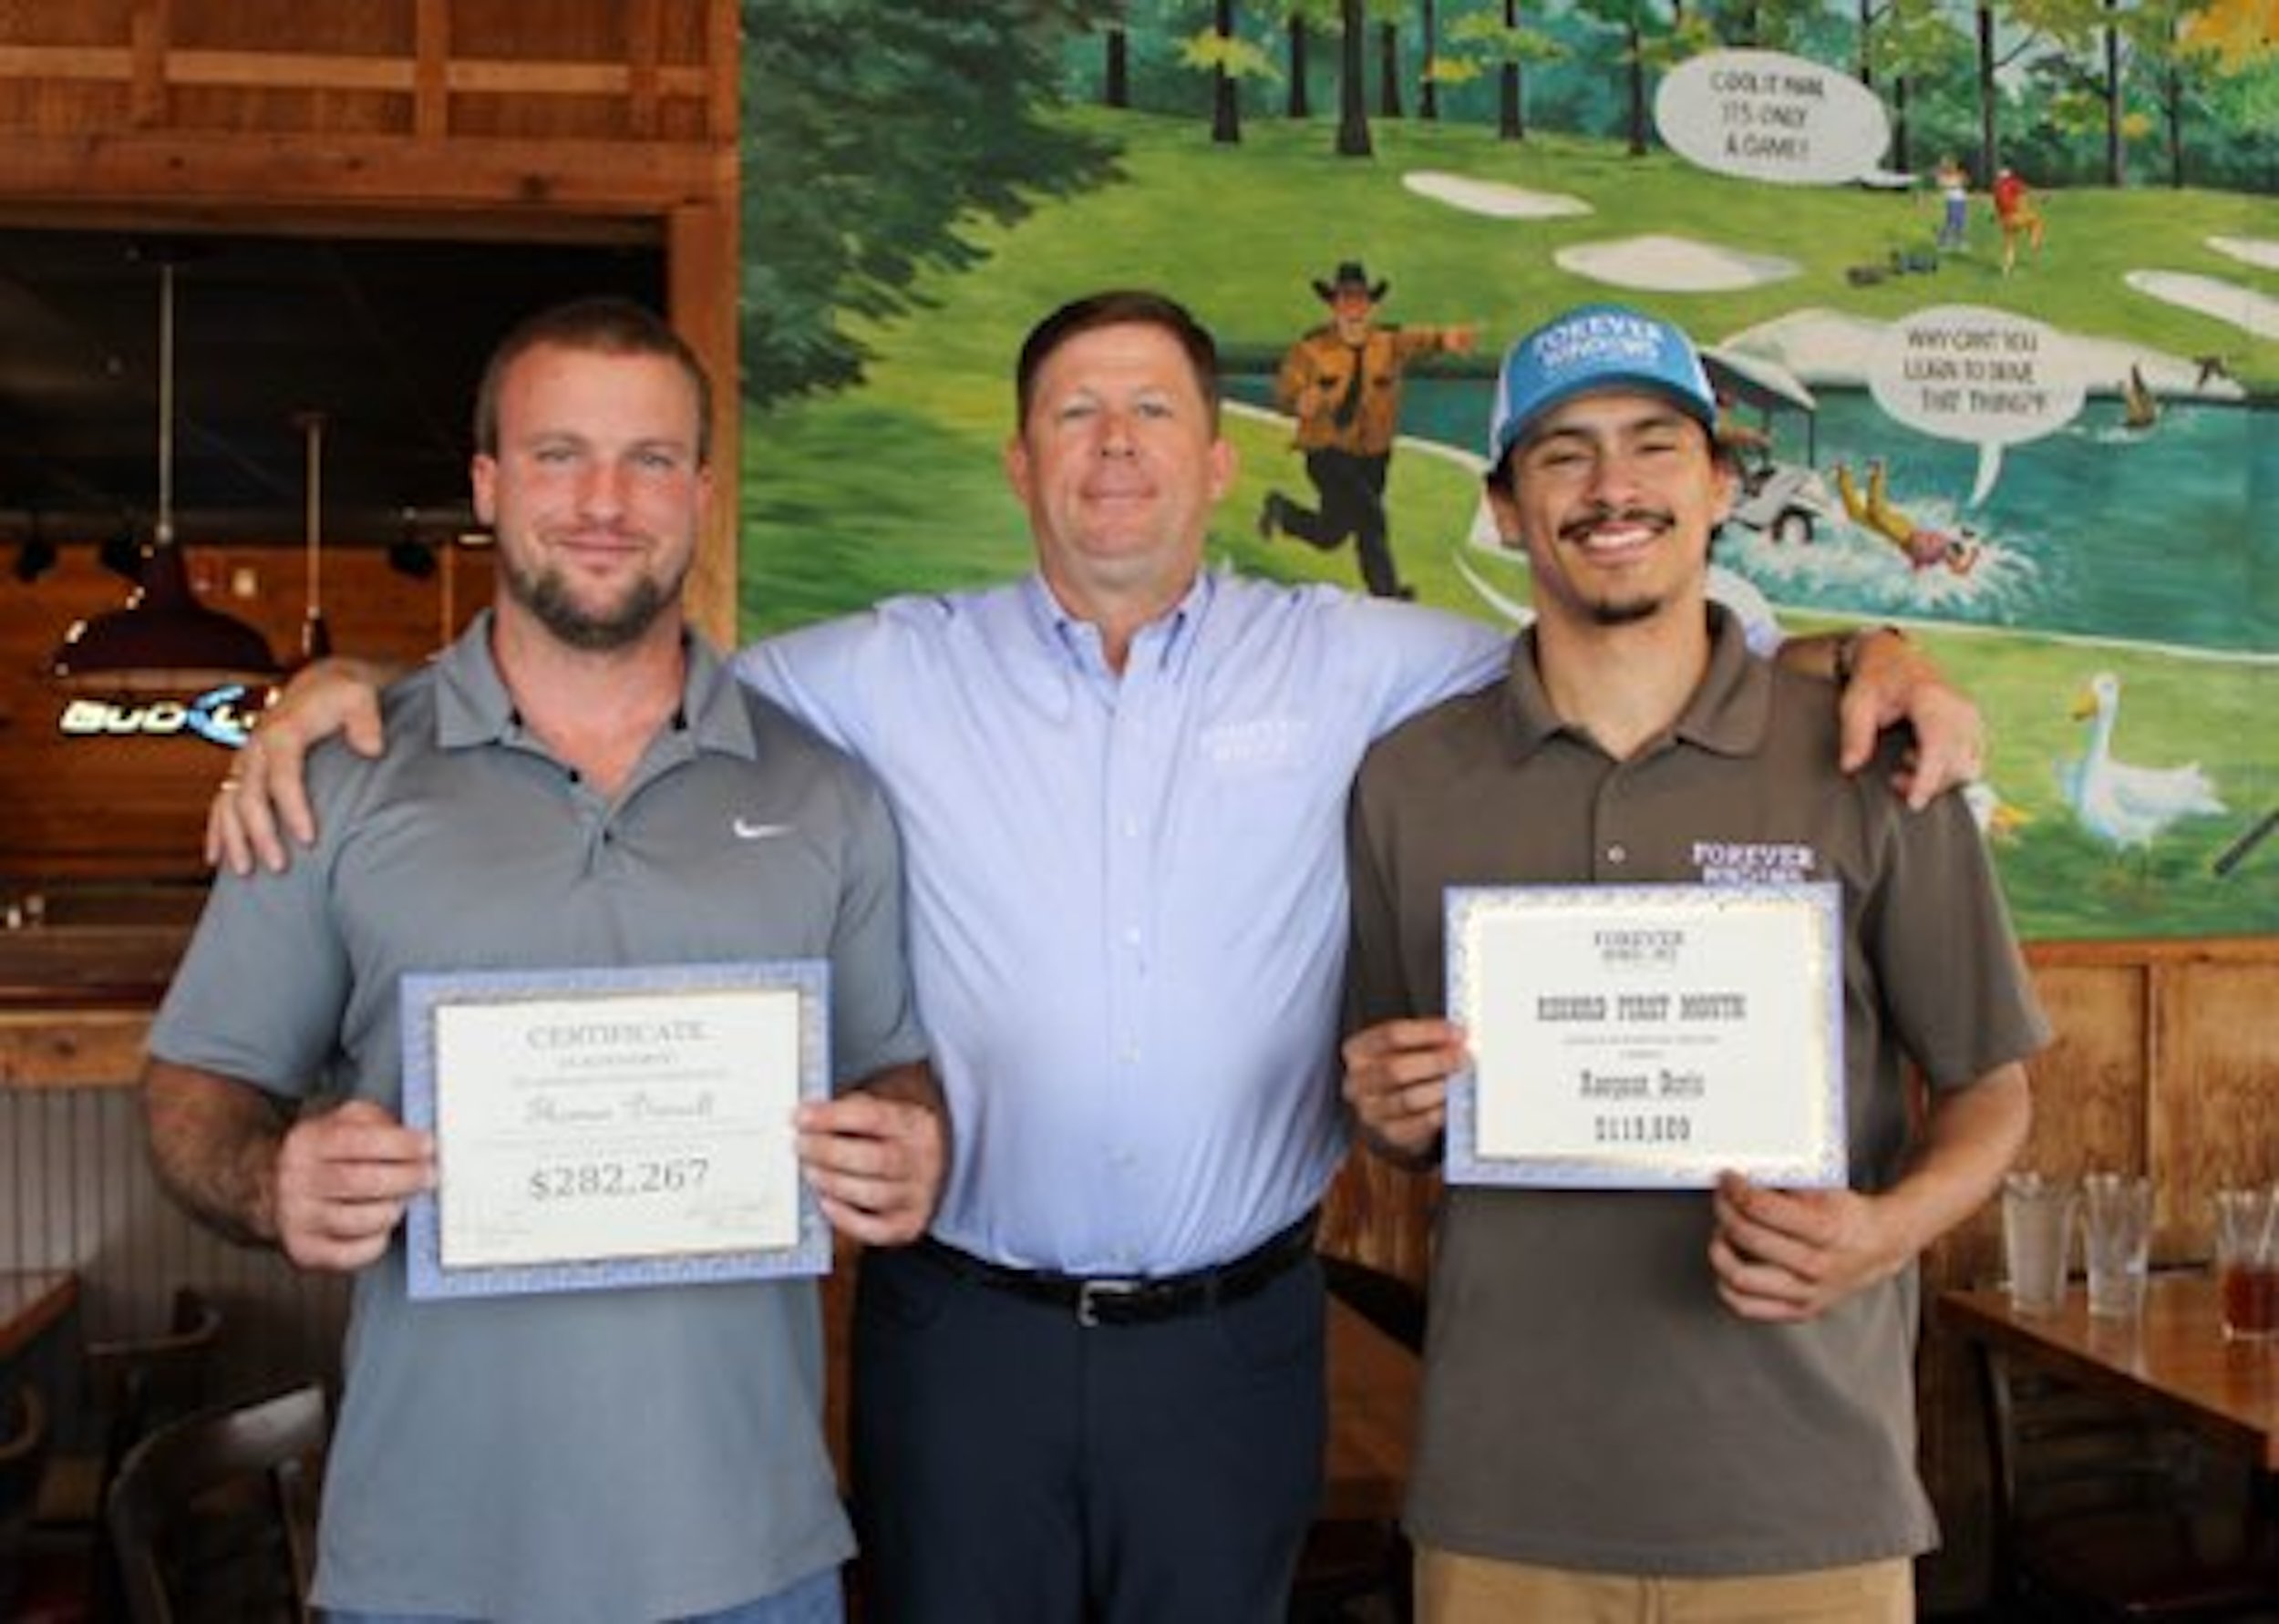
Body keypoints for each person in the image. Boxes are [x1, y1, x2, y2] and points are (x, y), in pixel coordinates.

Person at [207, 290, 1985, 1624]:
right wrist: (360, 689)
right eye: (1074, 412)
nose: (1116, 446)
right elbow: (596, 655)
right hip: (955, 1339)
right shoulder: (865, 674)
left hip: (1233, 1339)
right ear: (1020, 461)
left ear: (1218, 463)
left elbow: (1625, 626)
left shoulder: (1373, 662)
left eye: (1154, 411)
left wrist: (1853, 643)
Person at [145, 297, 947, 1624]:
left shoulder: (824, 793)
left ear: (699, 489)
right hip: (431, 1564)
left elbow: (892, 1069)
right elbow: (195, 1086)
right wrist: (267, 1176)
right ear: (487, 482)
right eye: (558, 453)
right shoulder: (338, 778)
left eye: (648, 459)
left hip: (753, 1560)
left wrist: (916, 1139)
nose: (603, 500)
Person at [1340, 303, 2047, 1622]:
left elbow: (1990, 1088)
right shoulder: (1407, 781)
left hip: (1809, 1486)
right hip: (1508, 1496)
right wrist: (1388, 1111)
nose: (1613, 487)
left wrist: (1884, 1230)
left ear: (1721, 484)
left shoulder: (1871, 757)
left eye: (1655, 445)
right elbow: (1399, 1113)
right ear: (1504, 508)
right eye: (1562, 455)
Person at [1257, 261, 1475, 600]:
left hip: (1374, 454)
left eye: (1360, 301)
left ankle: (1283, 512)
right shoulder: (1312, 349)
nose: (1353, 309)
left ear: (1371, 306)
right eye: (1345, 301)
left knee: (1333, 533)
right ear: (1333, 306)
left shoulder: (1389, 343)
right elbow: (1286, 392)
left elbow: (1423, 340)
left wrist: (1448, 339)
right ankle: (1386, 595)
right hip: (1328, 452)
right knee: (1372, 519)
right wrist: (1300, 400)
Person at [1834, 458, 1983, 575]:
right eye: (1951, 554)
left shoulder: (1937, 560)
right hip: (1904, 532)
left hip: (1899, 536)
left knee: (1855, 515)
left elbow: (1960, 571)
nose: (1949, 556)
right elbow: (1960, 557)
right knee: (1877, 513)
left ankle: (1843, 473)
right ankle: (1878, 470)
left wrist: (1972, 559)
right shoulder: (1946, 542)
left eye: (1951, 557)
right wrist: (1973, 554)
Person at [1992, 165, 2046, 274]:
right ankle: (2034, 242)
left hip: (2005, 220)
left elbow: (1997, 205)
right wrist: (2041, 198)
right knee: (2036, 221)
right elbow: (2027, 193)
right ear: (2010, 174)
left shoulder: (1996, 186)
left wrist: (1995, 216)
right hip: (2017, 217)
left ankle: (2006, 268)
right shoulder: (2013, 183)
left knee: (2010, 243)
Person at [1934, 155, 1970, 251]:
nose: (1953, 167)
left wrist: (1961, 179)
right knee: (1951, 222)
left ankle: (1960, 242)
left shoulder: (1959, 175)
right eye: (1951, 165)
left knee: (1961, 222)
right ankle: (1942, 242)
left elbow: (1966, 183)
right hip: (1952, 200)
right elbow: (1941, 184)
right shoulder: (1943, 176)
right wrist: (1953, 183)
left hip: (1961, 200)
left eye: (1955, 165)